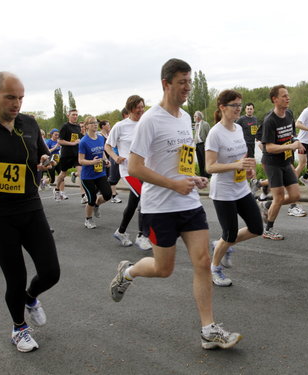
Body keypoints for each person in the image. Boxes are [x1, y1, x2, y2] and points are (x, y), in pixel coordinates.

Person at [109, 58, 241, 349]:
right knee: (163, 268)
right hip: (159, 207)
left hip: (188, 202)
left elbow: (179, 162)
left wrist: (193, 178)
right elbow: (134, 168)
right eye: (182, 82)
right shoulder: (150, 120)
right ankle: (128, 272)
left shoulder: (184, 119)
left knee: (203, 262)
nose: (187, 88)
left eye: (190, 82)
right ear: (166, 83)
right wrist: (173, 184)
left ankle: (208, 329)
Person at [0, 72, 60, 352]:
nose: (17, 103)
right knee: (15, 277)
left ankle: (31, 297)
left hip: (31, 207)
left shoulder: (29, 123)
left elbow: (42, 154)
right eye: (11, 97)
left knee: (51, 271)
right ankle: (19, 328)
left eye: (21, 97)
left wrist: (44, 161)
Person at [205, 90, 263, 286]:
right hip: (223, 191)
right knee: (229, 233)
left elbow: (242, 155)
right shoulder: (215, 133)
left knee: (256, 227)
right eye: (235, 105)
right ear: (222, 107)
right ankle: (214, 268)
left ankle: (221, 244)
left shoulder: (238, 129)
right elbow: (209, 166)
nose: (239, 108)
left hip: (241, 187)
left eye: (240, 104)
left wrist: (248, 169)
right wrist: (235, 166)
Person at [105, 95, 152, 250]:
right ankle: (142, 235)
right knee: (145, 197)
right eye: (138, 107)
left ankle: (121, 231)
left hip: (144, 169)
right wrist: (115, 157)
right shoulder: (120, 126)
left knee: (133, 203)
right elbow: (108, 146)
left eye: (142, 107)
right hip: (128, 170)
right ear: (130, 108)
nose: (141, 110)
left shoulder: (146, 124)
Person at [258, 85, 304, 240]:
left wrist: (297, 142)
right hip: (271, 162)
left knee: (294, 195)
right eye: (284, 96)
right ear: (275, 99)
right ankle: (268, 229)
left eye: (288, 95)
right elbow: (269, 147)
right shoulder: (270, 120)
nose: (288, 98)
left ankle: (268, 206)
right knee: (278, 197)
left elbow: (292, 133)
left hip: (285, 160)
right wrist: (291, 146)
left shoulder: (289, 114)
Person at [78, 116, 112, 229]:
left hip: (100, 173)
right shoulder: (83, 142)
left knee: (108, 195)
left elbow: (102, 152)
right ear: (87, 126)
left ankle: (97, 205)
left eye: (96, 122)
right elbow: (80, 160)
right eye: (92, 123)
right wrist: (92, 162)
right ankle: (88, 219)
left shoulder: (101, 138)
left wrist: (106, 160)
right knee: (91, 199)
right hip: (88, 176)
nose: (95, 124)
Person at [54, 109, 83, 202]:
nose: (75, 116)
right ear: (68, 116)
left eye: (76, 115)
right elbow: (59, 140)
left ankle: (83, 196)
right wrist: (72, 143)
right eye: (73, 115)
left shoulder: (78, 127)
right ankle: (57, 189)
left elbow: (79, 139)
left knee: (81, 173)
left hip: (76, 154)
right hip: (66, 154)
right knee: (63, 174)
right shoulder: (65, 126)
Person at [193, 111, 211, 178]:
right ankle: (202, 174)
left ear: (199, 117)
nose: (194, 117)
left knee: (204, 160)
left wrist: (206, 145)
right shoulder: (196, 124)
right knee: (199, 160)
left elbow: (209, 135)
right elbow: (197, 135)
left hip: (203, 144)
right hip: (197, 145)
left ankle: (207, 175)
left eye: (195, 116)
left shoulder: (205, 124)